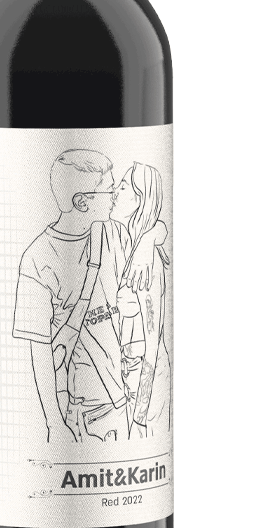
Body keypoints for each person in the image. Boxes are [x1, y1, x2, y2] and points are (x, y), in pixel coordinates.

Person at [13, 150, 165, 443]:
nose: (115, 196)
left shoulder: (114, 233)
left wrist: (147, 241)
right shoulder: (37, 260)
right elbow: (39, 351)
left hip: (122, 400)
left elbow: (156, 224)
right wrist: (55, 424)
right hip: (80, 410)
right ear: (82, 202)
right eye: (109, 190)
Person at [111, 162, 171, 438]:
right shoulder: (132, 246)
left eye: (123, 187)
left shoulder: (147, 264)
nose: (114, 191)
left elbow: (153, 340)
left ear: (139, 199)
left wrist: (140, 414)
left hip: (146, 381)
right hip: (130, 373)